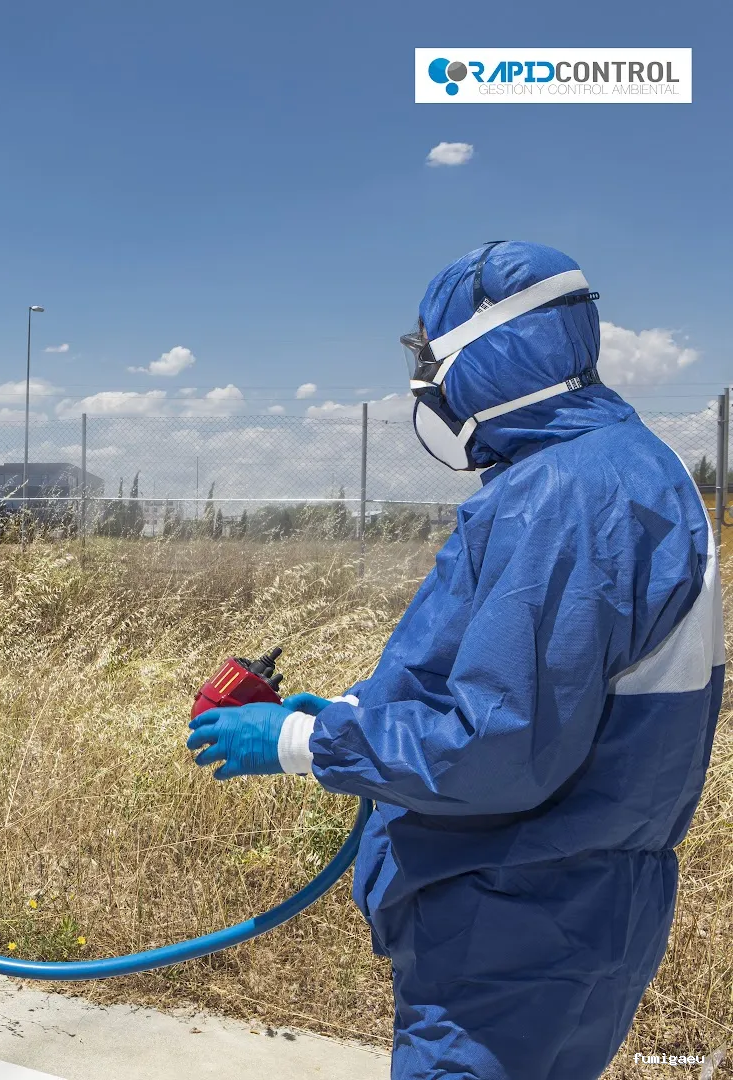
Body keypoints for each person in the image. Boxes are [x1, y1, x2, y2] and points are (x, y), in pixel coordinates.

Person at [187, 241, 723, 1079]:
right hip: (567, 917)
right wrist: (356, 714)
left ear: (493, 354)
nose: (425, 387)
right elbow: (507, 685)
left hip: (510, 928)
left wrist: (302, 742)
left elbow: (498, 746)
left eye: (433, 360)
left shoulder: (564, 495)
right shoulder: (621, 467)